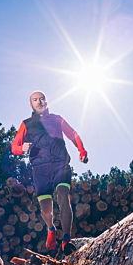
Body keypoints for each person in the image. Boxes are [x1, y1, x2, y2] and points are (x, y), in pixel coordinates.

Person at [11, 91, 88, 255]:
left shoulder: (57, 119)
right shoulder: (26, 124)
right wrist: (21, 148)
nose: (39, 102)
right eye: (35, 100)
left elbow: (72, 134)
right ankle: (51, 229)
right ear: (31, 105)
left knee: (63, 195)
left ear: (46, 101)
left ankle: (66, 239)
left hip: (60, 163)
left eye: (42, 99)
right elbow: (14, 146)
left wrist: (81, 150)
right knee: (46, 209)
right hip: (40, 168)